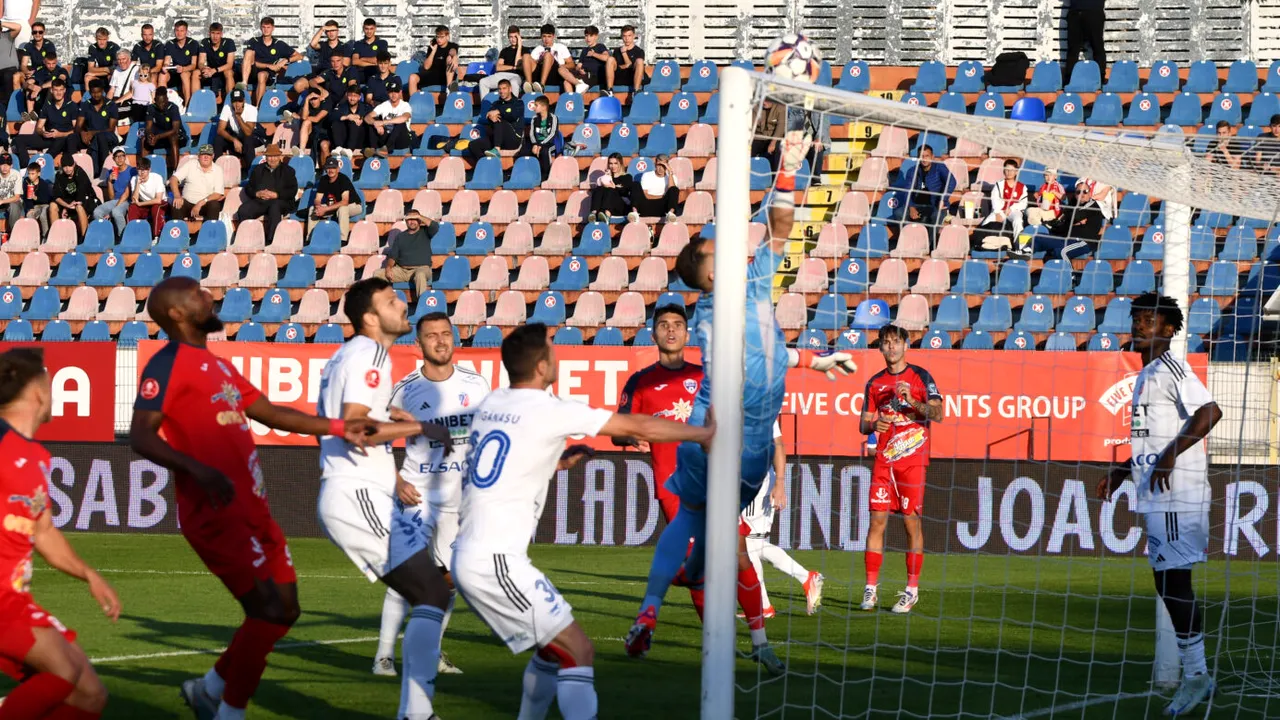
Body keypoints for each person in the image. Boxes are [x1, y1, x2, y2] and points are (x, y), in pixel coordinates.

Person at [625, 121, 856, 670]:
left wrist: (812, 360)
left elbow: (766, 354)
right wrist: (792, 166)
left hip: (720, 438)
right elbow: (779, 229)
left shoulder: (720, 305)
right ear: (707, 274)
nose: (722, 248)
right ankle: (757, 644)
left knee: (699, 534)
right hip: (733, 440)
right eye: (712, 250)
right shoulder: (739, 291)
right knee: (730, 546)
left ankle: (651, 612)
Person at [128, 276, 376, 720]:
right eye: (198, 295)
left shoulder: (217, 365)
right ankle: (229, 711)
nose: (210, 297)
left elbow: (272, 413)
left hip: (252, 508)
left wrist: (340, 428)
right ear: (177, 314)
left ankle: (211, 688)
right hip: (216, 513)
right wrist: (197, 469)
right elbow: (141, 437)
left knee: (285, 610)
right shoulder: (167, 364)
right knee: (265, 608)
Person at [455, 322, 715, 720]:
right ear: (541, 367)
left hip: (476, 552)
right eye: (552, 348)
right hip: (495, 561)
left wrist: (556, 461)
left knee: (551, 651)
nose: (557, 353)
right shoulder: (549, 409)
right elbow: (637, 425)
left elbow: (504, 462)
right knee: (579, 650)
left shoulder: (493, 403)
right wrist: (702, 434)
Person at [314, 277, 456, 720]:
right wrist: (420, 427)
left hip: (358, 493)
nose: (402, 305)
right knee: (432, 590)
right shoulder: (370, 353)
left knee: (433, 590)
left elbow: (357, 419)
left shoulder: (355, 355)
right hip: (356, 494)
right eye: (392, 301)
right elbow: (357, 428)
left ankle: (417, 711)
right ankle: (416, 712)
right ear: (371, 318)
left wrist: (388, 416)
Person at [1096, 292, 1221, 716]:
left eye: (1148, 319)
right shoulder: (1146, 374)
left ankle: (1196, 676)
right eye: (1136, 318)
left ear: (1168, 329)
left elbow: (1210, 411)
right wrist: (1122, 470)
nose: (1138, 325)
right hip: (1155, 492)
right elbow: (1153, 440)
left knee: (1173, 582)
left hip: (1177, 494)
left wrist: (1170, 455)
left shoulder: (1171, 367)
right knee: (1168, 581)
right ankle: (1197, 674)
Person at [0, 347, 120, 720]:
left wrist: (88, 574)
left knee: (89, 695)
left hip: (14, 596)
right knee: (64, 672)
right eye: (50, 385)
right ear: (37, 392)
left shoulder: (37, 456)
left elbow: (44, 530)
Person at [373, 312, 490, 678]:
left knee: (451, 579)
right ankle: (383, 658)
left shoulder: (477, 385)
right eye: (431, 336)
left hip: (458, 498)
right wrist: (395, 481)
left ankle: (432, 653)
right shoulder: (405, 389)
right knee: (407, 574)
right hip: (417, 494)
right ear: (418, 344)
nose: (440, 341)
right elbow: (374, 438)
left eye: (446, 334)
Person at [612, 304, 704, 610]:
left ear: (687, 333)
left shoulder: (704, 377)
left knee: (731, 555)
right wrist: (632, 435)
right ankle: (719, 644)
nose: (671, 330)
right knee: (700, 562)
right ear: (653, 334)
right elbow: (618, 430)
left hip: (711, 481)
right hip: (673, 488)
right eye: (664, 325)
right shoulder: (641, 381)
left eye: (678, 324)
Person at [857, 324, 942, 615]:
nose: (891, 347)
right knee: (876, 522)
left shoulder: (921, 377)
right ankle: (870, 589)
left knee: (911, 525)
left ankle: (911, 591)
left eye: (896, 342)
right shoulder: (875, 383)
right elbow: (863, 423)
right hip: (884, 460)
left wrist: (911, 401)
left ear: (906, 345)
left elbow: (938, 414)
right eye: (886, 343)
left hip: (913, 461)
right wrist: (873, 425)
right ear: (880, 348)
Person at [739, 421, 824, 616]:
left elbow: (778, 445)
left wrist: (780, 483)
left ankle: (763, 606)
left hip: (754, 480)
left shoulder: (761, 408)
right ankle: (806, 578)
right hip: (739, 479)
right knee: (752, 543)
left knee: (746, 542)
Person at [1021, 182, 1105, 259]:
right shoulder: (1074, 203)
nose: (1081, 194)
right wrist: (1074, 220)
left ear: (1090, 194)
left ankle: (1070, 275)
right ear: (1075, 194)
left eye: (1085, 191)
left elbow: (1073, 217)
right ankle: (1024, 254)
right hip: (1066, 238)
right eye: (1078, 192)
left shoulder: (1092, 206)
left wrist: (1073, 218)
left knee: (1061, 252)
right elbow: (1068, 217)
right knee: (1038, 237)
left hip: (1083, 242)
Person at [234, 143, 297, 242]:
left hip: (281, 201)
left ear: (279, 156)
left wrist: (277, 195)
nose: (272, 159)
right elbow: (249, 188)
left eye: (275, 156)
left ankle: (271, 240)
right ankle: (249, 238)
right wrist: (257, 193)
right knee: (243, 210)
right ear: (266, 157)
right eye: (269, 156)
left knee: (275, 207)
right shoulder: (258, 169)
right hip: (261, 201)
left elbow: (292, 190)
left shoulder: (288, 171)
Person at [13, 76, 77, 167]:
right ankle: (26, 166)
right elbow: (39, 127)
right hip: (49, 137)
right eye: (55, 90)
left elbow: (76, 130)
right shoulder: (47, 106)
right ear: (51, 90)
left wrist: (60, 134)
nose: (58, 93)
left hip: (64, 139)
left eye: (61, 90)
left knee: (60, 140)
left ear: (65, 90)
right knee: (19, 139)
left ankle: (43, 164)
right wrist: (43, 133)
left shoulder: (72, 106)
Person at [241, 17, 303, 106]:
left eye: (268, 27)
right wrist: (268, 65)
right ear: (260, 28)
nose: (266, 30)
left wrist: (285, 60)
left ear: (273, 28)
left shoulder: (278, 44)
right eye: (264, 27)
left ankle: (258, 108)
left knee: (261, 75)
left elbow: (299, 56)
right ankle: (244, 83)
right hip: (251, 72)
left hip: (267, 75)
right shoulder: (254, 41)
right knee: (248, 53)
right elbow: (250, 61)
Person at [890, 145, 955, 228]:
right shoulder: (912, 171)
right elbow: (907, 190)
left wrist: (943, 199)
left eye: (927, 156)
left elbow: (952, 181)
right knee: (899, 213)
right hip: (917, 205)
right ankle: (909, 237)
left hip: (936, 205)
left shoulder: (939, 167)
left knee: (936, 217)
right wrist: (911, 207)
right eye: (921, 156)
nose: (924, 159)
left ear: (932, 157)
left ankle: (932, 241)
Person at [375, 210, 434, 300]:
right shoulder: (400, 237)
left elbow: (435, 226)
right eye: (409, 219)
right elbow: (392, 256)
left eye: (414, 219)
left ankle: (422, 307)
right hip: (402, 270)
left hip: (421, 268)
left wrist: (419, 216)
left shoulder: (425, 232)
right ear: (406, 221)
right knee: (378, 274)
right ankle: (380, 304)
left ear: (419, 220)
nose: (412, 221)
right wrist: (388, 268)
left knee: (420, 275)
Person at [972, 158, 1028, 251]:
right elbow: (995, 199)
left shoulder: (1022, 187)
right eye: (1006, 170)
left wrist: (1012, 208)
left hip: (1014, 211)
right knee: (987, 222)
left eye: (1011, 170)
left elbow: (1023, 203)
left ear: (1016, 172)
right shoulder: (999, 185)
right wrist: (997, 212)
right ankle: (980, 244)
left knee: (1018, 220)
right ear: (1003, 171)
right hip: (1000, 211)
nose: (1009, 172)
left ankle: (1019, 246)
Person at [464, 77, 523, 163]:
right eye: (499, 89)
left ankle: (497, 149)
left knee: (499, 120)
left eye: (504, 88)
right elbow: (489, 116)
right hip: (498, 138)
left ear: (510, 89)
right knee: (473, 145)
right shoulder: (496, 104)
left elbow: (513, 115)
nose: (501, 91)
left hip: (513, 139)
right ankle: (485, 165)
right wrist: (491, 117)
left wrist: (498, 112)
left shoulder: (518, 102)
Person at [308, 155, 360, 240]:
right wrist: (318, 207)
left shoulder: (343, 179)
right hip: (334, 206)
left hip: (354, 205)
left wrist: (325, 209)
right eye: (328, 168)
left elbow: (345, 201)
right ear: (326, 169)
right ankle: (310, 239)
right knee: (313, 209)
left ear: (338, 169)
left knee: (342, 209)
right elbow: (317, 199)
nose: (331, 170)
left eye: (333, 168)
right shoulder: (323, 179)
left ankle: (343, 240)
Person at [169, 144, 225, 221]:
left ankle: (209, 231)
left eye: (209, 154)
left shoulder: (218, 170)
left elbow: (217, 194)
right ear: (198, 155)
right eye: (203, 154)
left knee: (214, 205)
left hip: (205, 204)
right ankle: (180, 231)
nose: (206, 157)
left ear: (213, 156)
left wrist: (200, 203)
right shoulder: (190, 164)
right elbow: (173, 179)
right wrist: (177, 195)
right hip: (187, 202)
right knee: (176, 204)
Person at [214, 88, 262, 176]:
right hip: (236, 136)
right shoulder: (227, 108)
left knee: (248, 139)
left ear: (244, 100)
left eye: (239, 101)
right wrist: (234, 140)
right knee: (218, 139)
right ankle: (217, 171)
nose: (237, 104)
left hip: (251, 136)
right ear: (231, 102)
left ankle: (251, 173)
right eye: (235, 101)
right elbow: (220, 130)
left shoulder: (251, 109)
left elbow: (248, 132)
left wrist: (238, 117)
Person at [77, 79, 119, 175]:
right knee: (74, 137)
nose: (96, 95)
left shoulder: (111, 105)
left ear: (103, 91)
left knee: (100, 137)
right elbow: (78, 126)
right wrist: (83, 132)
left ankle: (101, 171)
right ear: (90, 92)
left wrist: (93, 133)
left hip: (109, 137)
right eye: (93, 93)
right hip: (91, 136)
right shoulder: (85, 104)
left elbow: (111, 129)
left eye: (99, 92)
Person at [51, 151, 95, 237]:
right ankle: (55, 236)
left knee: (79, 206)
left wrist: (70, 206)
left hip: (85, 199)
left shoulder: (80, 172)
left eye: (70, 166)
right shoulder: (59, 176)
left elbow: (82, 192)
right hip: (68, 202)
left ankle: (84, 237)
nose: (67, 169)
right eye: (65, 167)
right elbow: (56, 196)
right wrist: (66, 206)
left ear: (74, 164)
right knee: (52, 206)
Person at [92, 146, 136, 233]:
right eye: (117, 156)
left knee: (116, 212)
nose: (119, 158)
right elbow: (112, 197)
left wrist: (113, 209)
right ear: (113, 158)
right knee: (97, 212)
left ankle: (122, 236)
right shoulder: (111, 172)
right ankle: (106, 234)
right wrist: (109, 181)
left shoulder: (132, 171)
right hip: (115, 200)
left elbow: (127, 195)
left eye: (122, 155)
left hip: (128, 201)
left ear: (125, 156)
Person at [521, 23, 574, 94]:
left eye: (549, 36)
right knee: (526, 56)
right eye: (544, 36)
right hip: (539, 73)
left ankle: (542, 86)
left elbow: (572, 64)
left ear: (553, 36)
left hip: (555, 74)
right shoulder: (538, 49)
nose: (546, 39)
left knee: (548, 55)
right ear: (541, 37)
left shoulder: (561, 47)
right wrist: (538, 61)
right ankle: (529, 85)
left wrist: (561, 66)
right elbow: (529, 65)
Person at [364, 77, 411, 156]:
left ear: (400, 92)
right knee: (372, 122)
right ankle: (373, 149)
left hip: (401, 139)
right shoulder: (384, 105)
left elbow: (404, 118)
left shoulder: (405, 105)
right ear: (387, 93)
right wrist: (376, 124)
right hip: (386, 136)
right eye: (391, 92)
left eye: (396, 92)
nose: (393, 95)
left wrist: (383, 122)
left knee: (400, 123)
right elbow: (367, 117)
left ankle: (386, 149)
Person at [409, 25, 458, 96]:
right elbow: (426, 67)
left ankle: (449, 90)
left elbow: (452, 51)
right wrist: (433, 51)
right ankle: (413, 103)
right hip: (433, 75)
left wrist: (454, 56)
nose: (439, 39)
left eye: (441, 37)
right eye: (437, 37)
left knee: (450, 58)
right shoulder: (433, 46)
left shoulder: (452, 45)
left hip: (446, 76)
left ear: (447, 37)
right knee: (412, 77)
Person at [1064, 0, 1106, 83]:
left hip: (1094, 11)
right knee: (1073, 48)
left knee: (1097, 46)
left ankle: (1100, 79)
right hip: (1075, 11)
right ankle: (1068, 81)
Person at [124, 155, 166, 236]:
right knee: (133, 207)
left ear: (149, 170)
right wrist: (138, 184)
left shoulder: (157, 178)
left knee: (156, 208)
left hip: (160, 202)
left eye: (144, 170)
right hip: (144, 203)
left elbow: (158, 200)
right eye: (139, 169)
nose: (142, 172)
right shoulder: (134, 179)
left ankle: (157, 236)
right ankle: (131, 234)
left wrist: (141, 204)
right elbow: (134, 200)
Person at [631, 154, 680, 222]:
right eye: (658, 165)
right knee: (635, 184)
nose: (660, 168)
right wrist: (662, 196)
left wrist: (670, 173)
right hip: (646, 206)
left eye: (663, 165)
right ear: (655, 165)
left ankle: (670, 214)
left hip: (662, 209)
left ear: (667, 166)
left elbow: (672, 191)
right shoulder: (647, 175)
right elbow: (645, 195)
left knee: (674, 189)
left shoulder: (672, 177)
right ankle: (635, 213)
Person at [520, 94, 558, 180]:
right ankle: (526, 175)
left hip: (549, 143)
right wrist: (535, 144)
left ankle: (546, 175)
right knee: (523, 152)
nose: (533, 107)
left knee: (545, 151)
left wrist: (541, 145)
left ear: (544, 107)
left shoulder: (553, 118)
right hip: (536, 143)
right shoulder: (534, 118)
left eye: (536, 105)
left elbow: (552, 134)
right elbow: (531, 133)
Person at [328, 81, 370, 158]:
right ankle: (338, 148)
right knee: (336, 123)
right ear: (347, 96)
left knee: (353, 123)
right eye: (350, 95)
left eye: (355, 96)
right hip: (345, 138)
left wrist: (362, 118)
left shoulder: (365, 108)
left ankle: (350, 150)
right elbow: (331, 117)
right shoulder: (341, 106)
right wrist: (347, 117)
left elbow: (372, 116)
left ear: (359, 97)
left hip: (359, 138)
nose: (352, 98)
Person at [142, 89, 184, 166]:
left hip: (177, 137)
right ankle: (143, 167)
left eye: (164, 102)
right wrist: (149, 135)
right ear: (155, 100)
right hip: (160, 138)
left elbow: (175, 130)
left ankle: (175, 170)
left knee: (173, 137)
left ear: (167, 99)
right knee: (145, 139)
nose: (161, 105)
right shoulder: (151, 108)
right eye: (159, 103)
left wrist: (158, 137)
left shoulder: (173, 108)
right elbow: (148, 127)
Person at [586, 152, 632, 223]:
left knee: (610, 190)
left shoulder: (627, 177)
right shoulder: (608, 177)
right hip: (605, 205)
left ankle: (606, 216)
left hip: (621, 206)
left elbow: (625, 192)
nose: (613, 166)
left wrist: (615, 188)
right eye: (610, 163)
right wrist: (606, 177)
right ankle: (593, 214)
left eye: (615, 163)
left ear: (620, 163)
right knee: (599, 188)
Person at [482, 26, 526, 96]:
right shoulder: (505, 51)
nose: (513, 39)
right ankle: (485, 106)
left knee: (513, 83)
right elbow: (498, 67)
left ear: (519, 37)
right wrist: (513, 68)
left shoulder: (525, 50)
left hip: (516, 76)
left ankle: (513, 106)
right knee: (483, 82)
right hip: (501, 75)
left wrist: (520, 46)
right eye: (511, 37)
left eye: (515, 37)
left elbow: (518, 64)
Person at [198, 22, 236, 103]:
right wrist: (204, 68)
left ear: (221, 34)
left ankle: (230, 104)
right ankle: (195, 104)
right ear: (209, 33)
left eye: (218, 33)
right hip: (211, 72)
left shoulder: (229, 42)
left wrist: (214, 70)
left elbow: (230, 64)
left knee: (228, 72)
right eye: (213, 33)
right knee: (195, 73)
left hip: (224, 71)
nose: (215, 36)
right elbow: (200, 62)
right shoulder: (205, 42)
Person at [165, 20, 201, 105]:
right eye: (177, 30)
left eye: (182, 31)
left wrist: (184, 69)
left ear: (186, 32)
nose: (179, 33)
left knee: (184, 74)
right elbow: (166, 61)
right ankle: (162, 103)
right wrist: (165, 67)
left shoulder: (193, 43)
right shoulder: (170, 44)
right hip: (175, 71)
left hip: (189, 71)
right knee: (163, 75)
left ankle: (187, 103)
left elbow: (193, 64)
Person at [573, 25, 614, 95]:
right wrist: (579, 69)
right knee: (566, 80)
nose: (588, 38)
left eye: (591, 36)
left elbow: (607, 58)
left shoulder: (600, 46)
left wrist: (593, 54)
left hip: (594, 76)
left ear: (596, 36)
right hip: (583, 75)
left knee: (579, 87)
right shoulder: (584, 50)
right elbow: (578, 66)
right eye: (586, 36)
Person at [105, 49, 139, 122]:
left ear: (129, 59)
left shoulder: (136, 70)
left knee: (112, 112)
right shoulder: (117, 70)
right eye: (119, 59)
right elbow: (111, 90)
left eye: (123, 59)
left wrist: (117, 102)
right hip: (115, 100)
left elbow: (132, 91)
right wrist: (106, 103)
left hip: (127, 101)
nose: (121, 62)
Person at [751, 98, 785, 169]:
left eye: (767, 100)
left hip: (774, 137)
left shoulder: (781, 107)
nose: (764, 102)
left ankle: (774, 176)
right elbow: (751, 126)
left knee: (777, 151)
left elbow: (780, 128)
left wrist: (773, 143)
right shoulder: (756, 106)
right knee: (749, 150)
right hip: (759, 136)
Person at [611, 25, 646, 94]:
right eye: (624, 36)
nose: (627, 38)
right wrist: (628, 66)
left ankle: (635, 92)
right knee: (610, 59)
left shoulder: (639, 51)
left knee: (639, 61)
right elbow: (615, 68)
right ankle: (609, 91)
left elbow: (636, 66)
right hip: (620, 79)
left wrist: (624, 53)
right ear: (621, 37)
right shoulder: (616, 51)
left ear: (634, 36)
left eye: (629, 35)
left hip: (633, 78)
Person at [348, 18, 384, 82]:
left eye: (371, 29)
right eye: (366, 29)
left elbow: (380, 60)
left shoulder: (382, 43)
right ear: (363, 29)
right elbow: (355, 61)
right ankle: (353, 91)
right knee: (352, 69)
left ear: (375, 28)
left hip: (375, 72)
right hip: (360, 74)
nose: (369, 31)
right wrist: (373, 63)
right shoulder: (358, 44)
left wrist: (362, 59)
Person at [131, 23, 166, 88]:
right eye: (145, 35)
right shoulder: (137, 46)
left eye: (150, 35)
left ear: (153, 35)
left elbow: (158, 67)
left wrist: (146, 72)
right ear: (141, 35)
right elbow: (133, 64)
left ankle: (153, 97)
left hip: (157, 72)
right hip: (143, 72)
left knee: (153, 76)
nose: (147, 38)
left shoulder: (159, 46)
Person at [20, 158, 49, 234]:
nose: (30, 176)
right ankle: (34, 235)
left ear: (38, 174)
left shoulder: (43, 184)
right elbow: (26, 198)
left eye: (33, 174)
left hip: (45, 205)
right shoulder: (26, 181)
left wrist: (36, 198)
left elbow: (46, 199)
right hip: (35, 206)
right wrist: (30, 207)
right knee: (30, 214)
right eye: (29, 173)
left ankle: (45, 235)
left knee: (43, 216)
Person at [0, 152, 21, 230]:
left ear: (11, 165)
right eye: (2, 164)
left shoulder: (16, 174)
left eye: (8, 164)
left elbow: (17, 197)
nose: (5, 167)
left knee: (14, 206)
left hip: (12, 202)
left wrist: (2, 201)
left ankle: (14, 233)